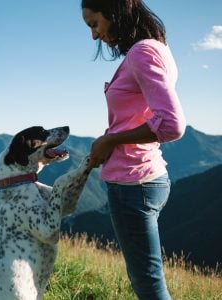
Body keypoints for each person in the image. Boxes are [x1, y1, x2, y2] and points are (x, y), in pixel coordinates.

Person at [80, 0, 186, 299]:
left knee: (147, 283)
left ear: (115, 11)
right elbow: (141, 116)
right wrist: (109, 138)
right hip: (145, 178)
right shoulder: (156, 48)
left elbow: (172, 124)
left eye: (94, 24)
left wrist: (111, 141)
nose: (94, 35)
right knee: (147, 277)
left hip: (133, 183)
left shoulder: (143, 52)